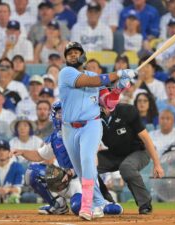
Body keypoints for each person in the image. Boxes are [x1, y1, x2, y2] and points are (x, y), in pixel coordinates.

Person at [58, 41, 136, 220]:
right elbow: (89, 81)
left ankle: (87, 207)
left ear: (83, 56)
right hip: (69, 128)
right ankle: (100, 202)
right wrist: (118, 74)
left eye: (76, 52)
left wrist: (119, 88)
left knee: (87, 160)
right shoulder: (66, 73)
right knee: (81, 169)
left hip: (91, 124)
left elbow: (108, 104)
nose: (72, 55)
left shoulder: (94, 75)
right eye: (69, 53)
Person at [14, 101, 122, 215]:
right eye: (59, 113)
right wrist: (23, 152)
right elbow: (39, 155)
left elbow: (92, 161)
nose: (62, 116)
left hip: (82, 182)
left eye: (65, 112)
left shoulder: (84, 132)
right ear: (53, 115)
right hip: (63, 181)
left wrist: (73, 171)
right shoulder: (55, 138)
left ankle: (103, 205)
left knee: (78, 208)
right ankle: (58, 205)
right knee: (32, 172)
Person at [98, 103, 164, 215]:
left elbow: (146, 138)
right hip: (115, 154)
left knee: (127, 167)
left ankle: (145, 204)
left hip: (139, 151)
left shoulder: (127, 110)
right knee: (88, 165)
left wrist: (157, 164)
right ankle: (105, 201)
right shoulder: (93, 115)